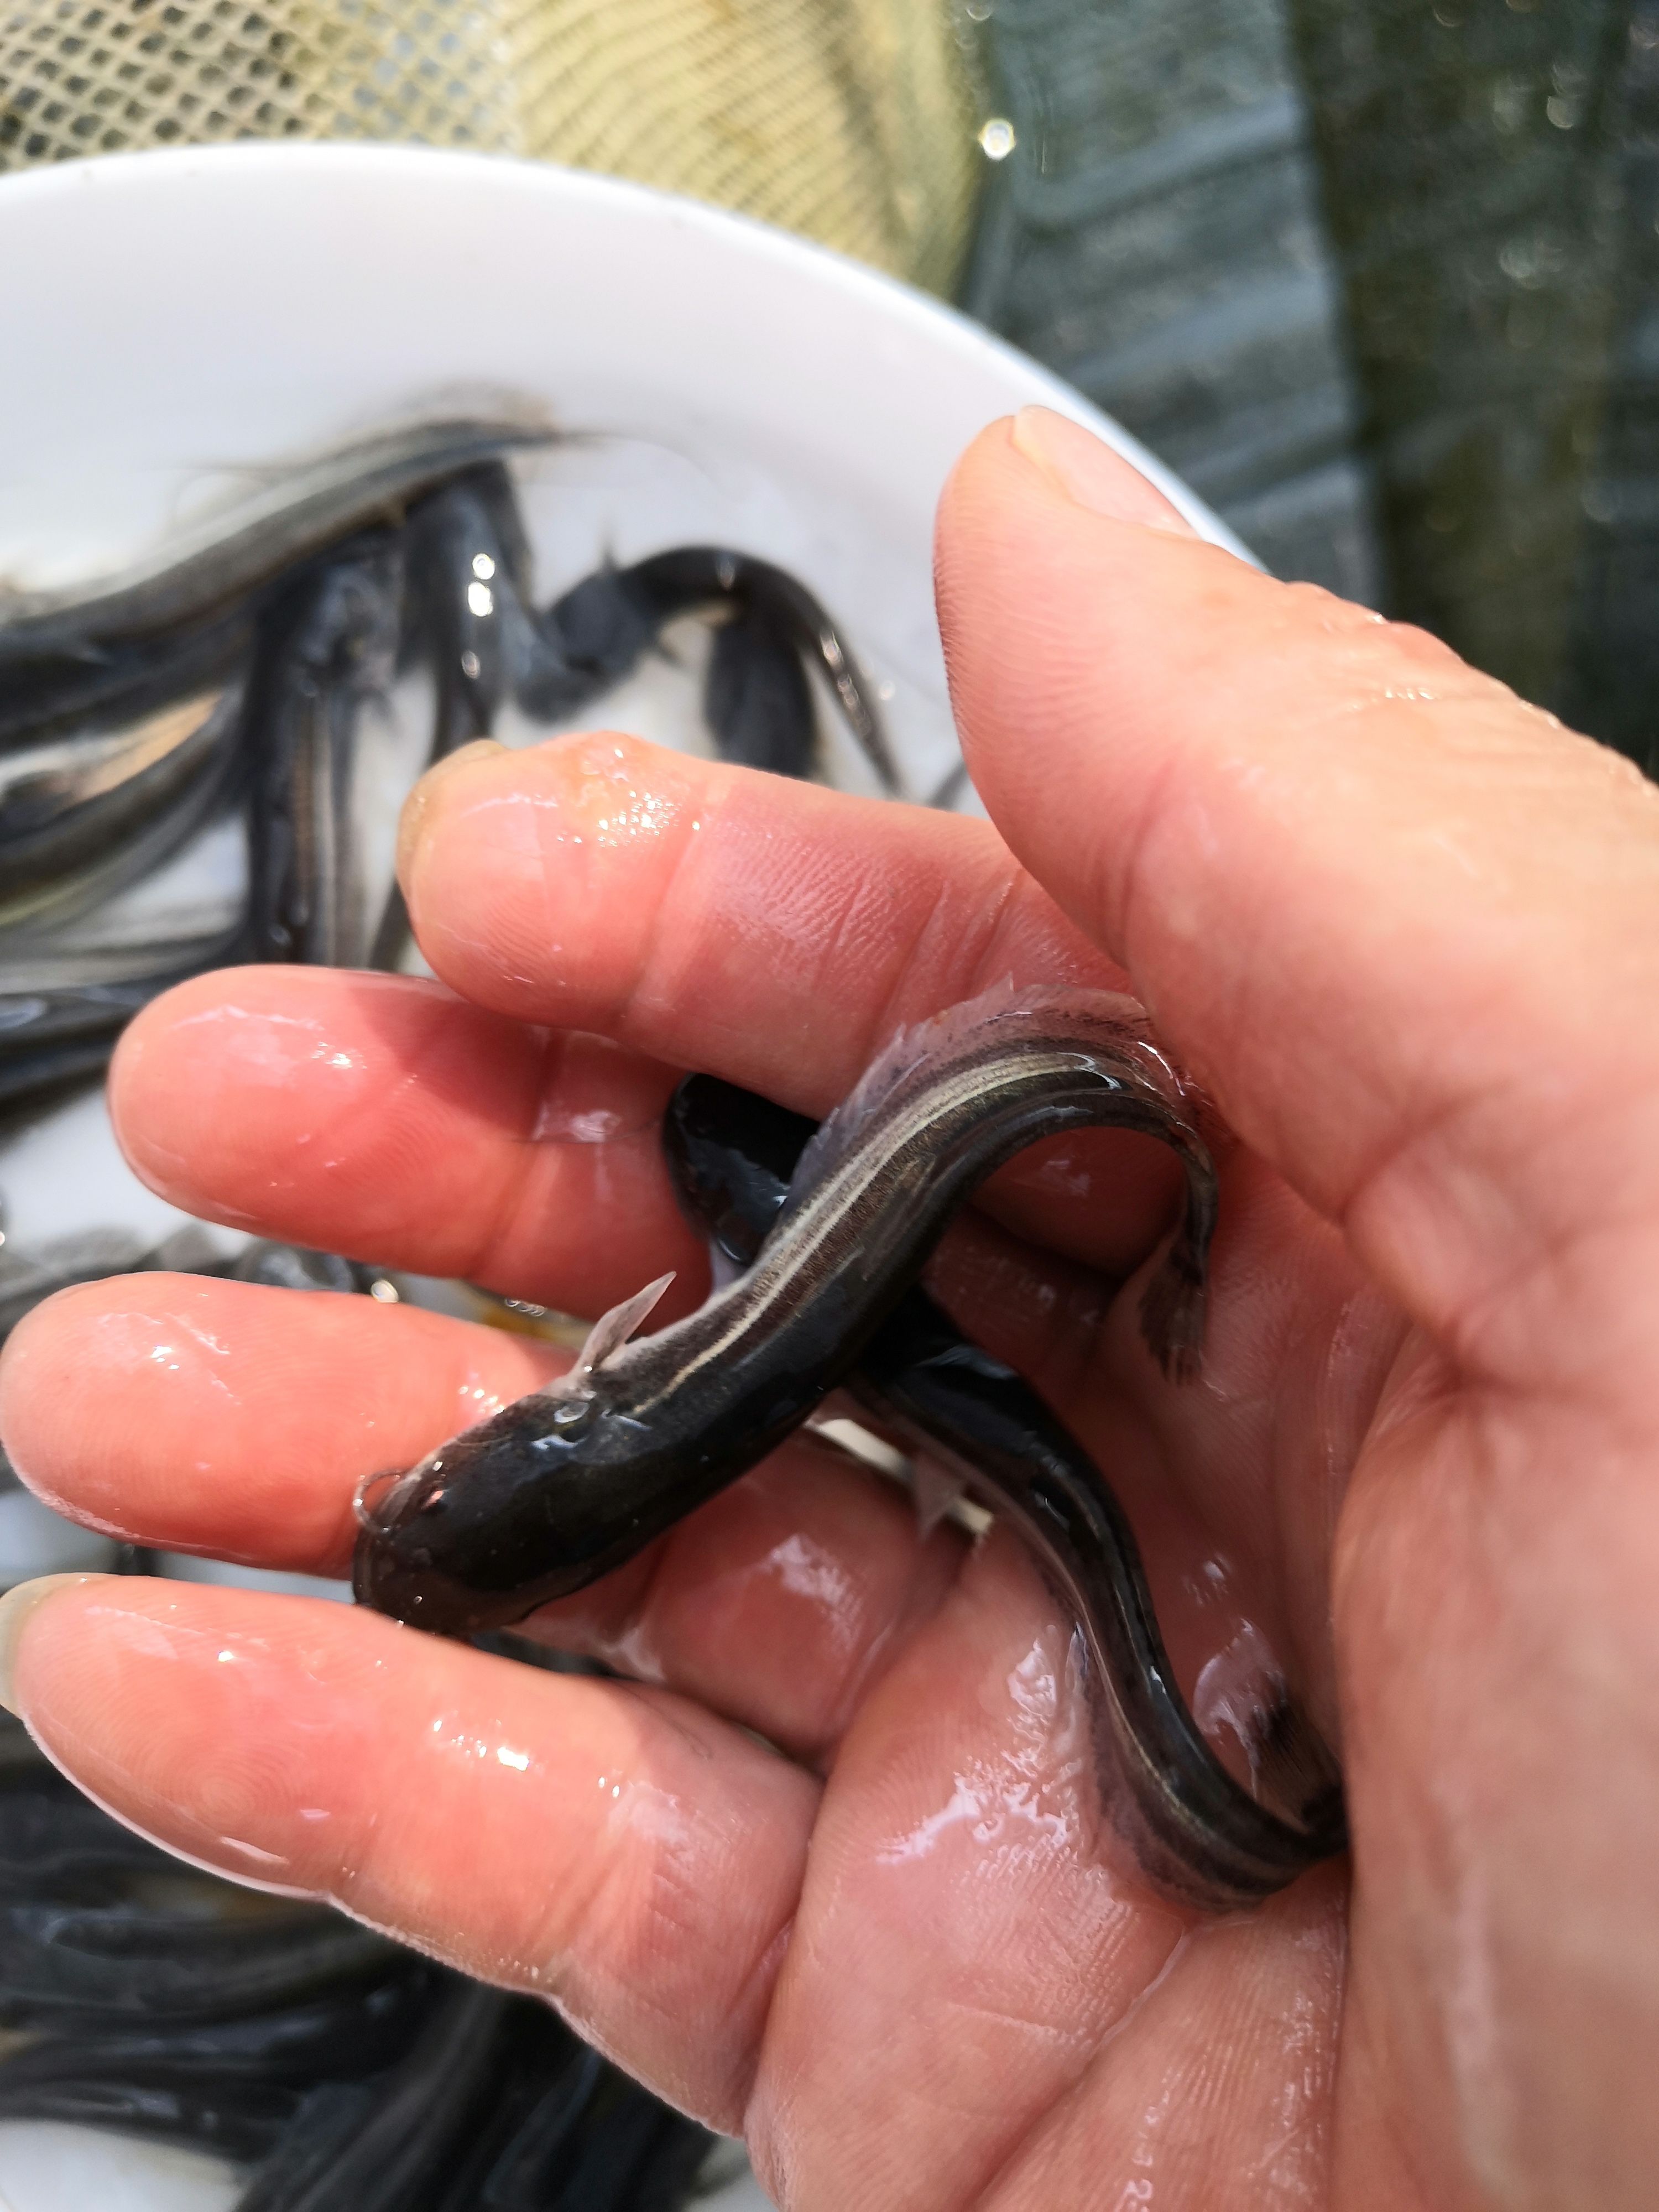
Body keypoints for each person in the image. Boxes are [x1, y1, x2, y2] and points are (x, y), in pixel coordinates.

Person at [2, 408, 1656, 2210]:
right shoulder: (647, 1379)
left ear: (585, 1394)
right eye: (435, 1501)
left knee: (890, 1291)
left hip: (961, 1210)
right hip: (919, 1221)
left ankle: (1212, 1746)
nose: (410, 1491)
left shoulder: (661, 1392)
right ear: (565, 1412)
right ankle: (1210, 1768)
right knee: (871, 1279)